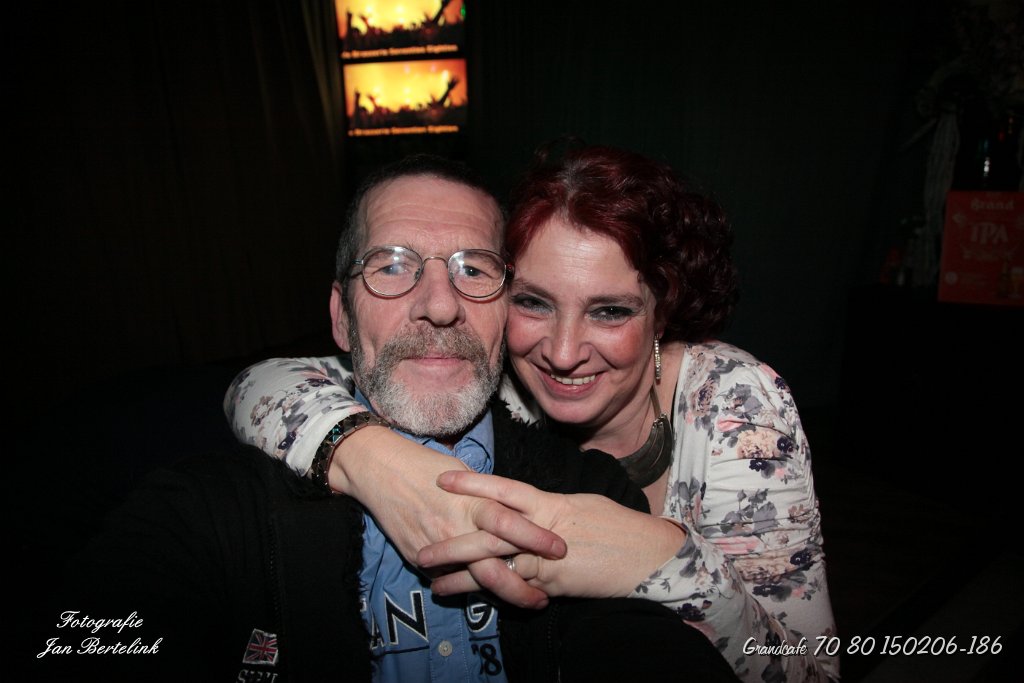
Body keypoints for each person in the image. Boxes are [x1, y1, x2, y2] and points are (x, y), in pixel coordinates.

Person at [53, 154, 736, 683]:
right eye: (391, 266)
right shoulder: (209, 511)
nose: (439, 304)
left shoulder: (591, 493)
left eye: (474, 270)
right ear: (340, 317)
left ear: (507, 308)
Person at [226, 144, 838, 681]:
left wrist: (663, 557)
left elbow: (810, 670)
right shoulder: (494, 381)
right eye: (533, 303)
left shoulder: (735, 407)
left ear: (663, 312)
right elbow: (261, 385)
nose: (563, 354)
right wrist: (379, 464)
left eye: (610, 311)